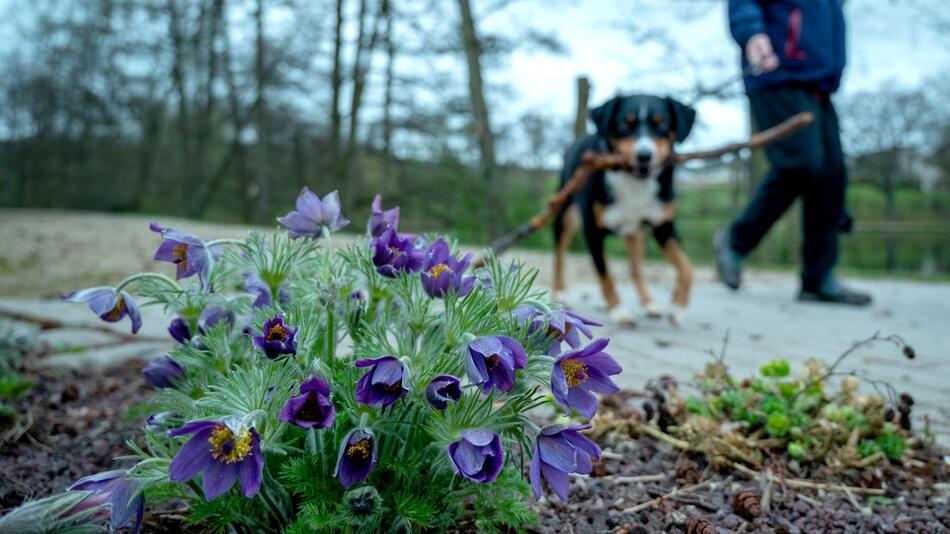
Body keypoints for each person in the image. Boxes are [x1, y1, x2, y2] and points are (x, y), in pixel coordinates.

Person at [716, 0, 871, 305]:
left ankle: (818, 278)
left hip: (819, 82)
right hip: (777, 72)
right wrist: (752, 34)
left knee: (831, 173)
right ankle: (735, 242)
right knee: (800, 164)